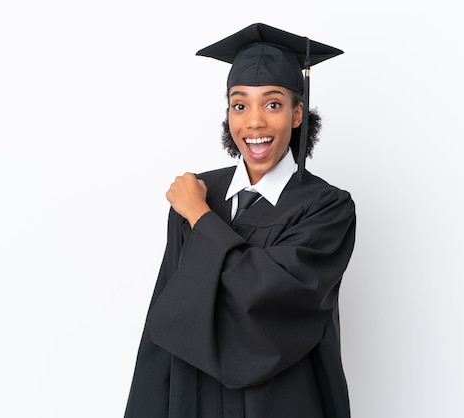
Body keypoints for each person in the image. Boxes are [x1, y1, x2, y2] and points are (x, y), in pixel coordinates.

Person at [124, 23, 356, 418]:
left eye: (273, 104)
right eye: (239, 104)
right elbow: (167, 317)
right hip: (193, 399)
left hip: (282, 402)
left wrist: (199, 216)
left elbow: (263, 295)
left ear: (298, 113)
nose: (254, 123)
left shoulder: (326, 208)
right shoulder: (201, 190)